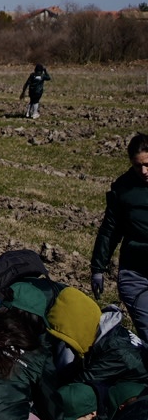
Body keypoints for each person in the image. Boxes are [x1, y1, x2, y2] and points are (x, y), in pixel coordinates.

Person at [91, 133, 148, 338]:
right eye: (137, 166)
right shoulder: (123, 189)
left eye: (147, 164)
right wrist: (98, 268)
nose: (144, 171)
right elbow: (110, 230)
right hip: (136, 274)